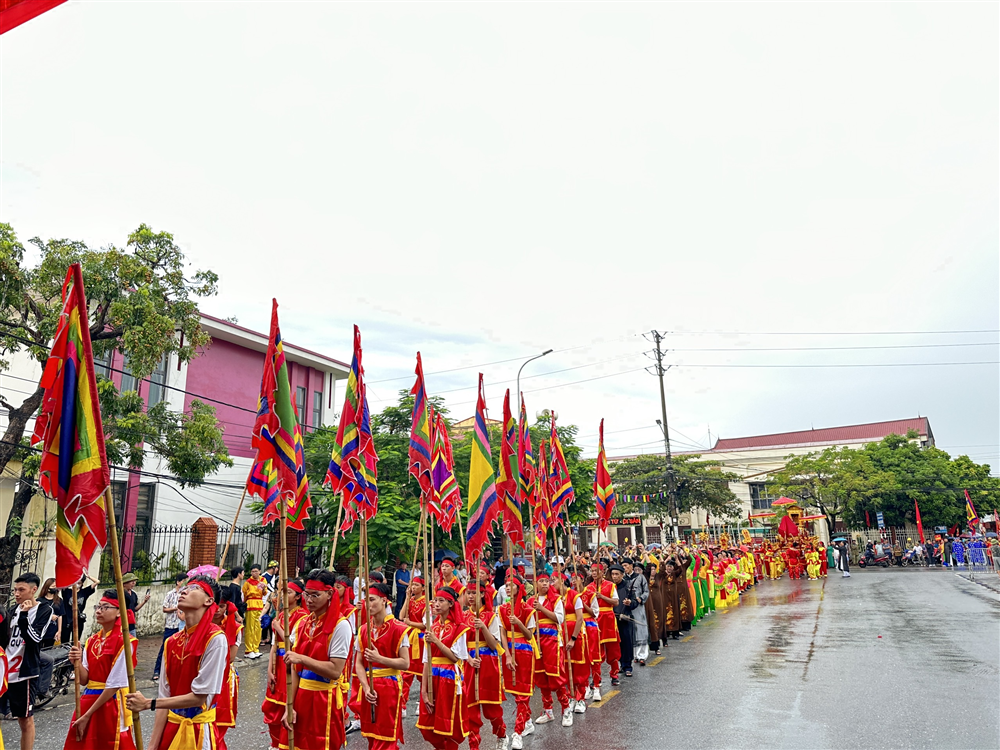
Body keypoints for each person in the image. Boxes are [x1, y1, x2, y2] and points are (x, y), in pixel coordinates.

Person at [126, 575, 228, 750]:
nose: (184, 591)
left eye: (194, 588)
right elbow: (165, 694)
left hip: (198, 733)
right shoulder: (171, 641)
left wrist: (148, 703)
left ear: (209, 600)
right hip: (171, 729)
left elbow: (199, 697)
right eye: (185, 587)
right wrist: (152, 745)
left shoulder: (215, 639)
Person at [284, 569, 352, 750]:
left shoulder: (341, 625)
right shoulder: (303, 623)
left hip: (325, 700)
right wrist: (289, 706)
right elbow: (295, 671)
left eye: (316, 595)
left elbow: (335, 671)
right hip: (301, 699)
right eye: (307, 594)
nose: (309, 600)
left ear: (330, 593)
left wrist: (302, 659)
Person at [63, 590, 138, 750]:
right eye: (98, 606)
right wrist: (76, 662)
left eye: (105, 607)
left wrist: (87, 715)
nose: (98, 611)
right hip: (89, 698)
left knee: (109, 742)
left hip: (111, 701)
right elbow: (84, 680)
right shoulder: (92, 640)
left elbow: (114, 684)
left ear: (119, 612)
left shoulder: (125, 642)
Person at [355, 582, 411, 749]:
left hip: (389, 686)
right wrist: (365, 687)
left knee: (385, 738)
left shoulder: (398, 629)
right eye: (366, 600)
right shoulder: (363, 629)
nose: (367, 604)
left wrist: (380, 658)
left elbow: (405, 663)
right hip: (369, 688)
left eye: (372, 599)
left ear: (384, 601)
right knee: (371, 736)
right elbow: (358, 663)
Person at [0, 572, 52, 750]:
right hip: (6, 670)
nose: (16, 593)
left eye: (21, 590)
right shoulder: (12, 609)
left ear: (34, 590)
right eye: (15, 590)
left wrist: (23, 616)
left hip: (24, 673)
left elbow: (35, 639)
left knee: (25, 719)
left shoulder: (44, 609)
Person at [417, 585, 470, 750]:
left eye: (441, 601)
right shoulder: (432, 628)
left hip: (449, 680)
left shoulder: (460, 628)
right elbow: (426, 660)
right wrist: (424, 691)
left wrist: (436, 641)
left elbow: (455, 657)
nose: (437, 604)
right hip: (432, 677)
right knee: (427, 727)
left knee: (448, 725)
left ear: (451, 603)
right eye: (435, 601)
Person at [466, 567, 508, 750]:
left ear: (483, 594)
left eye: (474, 593)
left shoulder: (491, 616)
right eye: (468, 593)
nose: (470, 596)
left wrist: (482, 626)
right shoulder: (462, 616)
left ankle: (501, 734)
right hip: (468, 664)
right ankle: (474, 745)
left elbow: (493, 644)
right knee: (470, 709)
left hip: (487, 664)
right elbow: (458, 646)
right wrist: (468, 659)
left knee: (491, 709)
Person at [262, 578, 307, 750]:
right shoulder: (280, 615)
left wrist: (279, 627)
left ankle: (285, 744)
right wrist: (268, 669)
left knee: (285, 705)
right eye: (282, 591)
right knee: (270, 706)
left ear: (297, 597)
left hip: (290, 664)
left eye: (288, 592)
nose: (283, 595)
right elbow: (274, 645)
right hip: (277, 663)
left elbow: (295, 644)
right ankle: (274, 743)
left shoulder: (302, 616)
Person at [498, 573, 535, 750]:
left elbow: (529, 635)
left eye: (511, 585)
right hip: (510, 651)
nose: (507, 587)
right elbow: (502, 633)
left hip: (525, 653)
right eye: (506, 584)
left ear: (519, 588)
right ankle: (527, 720)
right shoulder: (502, 608)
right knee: (513, 689)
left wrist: (519, 623)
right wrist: (507, 655)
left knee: (522, 693)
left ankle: (517, 732)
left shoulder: (528, 610)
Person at [531, 572, 571, 727]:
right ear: (536, 584)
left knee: (556, 676)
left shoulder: (556, 599)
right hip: (536, 642)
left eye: (547, 581)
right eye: (541, 581)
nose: (545, 584)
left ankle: (566, 708)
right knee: (541, 678)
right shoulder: (530, 601)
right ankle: (548, 710)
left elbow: (559, 619)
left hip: (552, 642)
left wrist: (541, 608)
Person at [582, 562, 618, 698]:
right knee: (596, 650)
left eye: (597, 571)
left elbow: (616, 602)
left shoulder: (610, 585)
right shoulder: (588, 588)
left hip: (608, 617)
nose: (594, 573)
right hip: (594, 620)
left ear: (603, 572)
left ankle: (614, 673)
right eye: (592, 571)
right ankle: (597, 678)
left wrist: (602, 597)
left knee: (612, 649)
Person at [213, 587, 243, 749]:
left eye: (222, 606)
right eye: (216, 605)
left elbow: (230, 658)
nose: (218, 609)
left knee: (218, 724)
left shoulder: (235, 628)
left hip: (223, 676)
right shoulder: (199, 623)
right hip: (198, 672)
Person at [400, 576, 427, 717]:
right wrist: (406, 597)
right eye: (413, 585)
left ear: (423, 587)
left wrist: (409, 623)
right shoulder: (410, 600)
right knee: (406, 673)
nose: (414, 587)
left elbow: (425, 624)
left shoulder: (427, 603)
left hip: (421, 640)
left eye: (417, 585)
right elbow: (401, 616)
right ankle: (403, 703)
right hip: (409, 638)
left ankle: (421, 703)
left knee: (422, 672)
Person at [153, 573, 188, 682]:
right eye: (183, 581)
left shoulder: (187, 595)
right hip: (171, 624)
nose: (184, 584)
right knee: (165, 647)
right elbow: (165, 609)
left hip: (182, 625)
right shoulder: (170, 594)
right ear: (178, 582)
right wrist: (175, 608)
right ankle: (157, 670)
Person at [622, 558, 650, 666]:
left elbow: (646, 591)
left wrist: (641, 598)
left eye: (626, 565)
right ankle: (633, 655)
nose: (625, 568)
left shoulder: (640, 577)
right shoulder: (623, 579)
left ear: (631, 566)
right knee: (630, 631)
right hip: (627, 607)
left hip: (638, 607)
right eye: (623, 566)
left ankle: (642, 655)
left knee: (641, 629)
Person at [59, 574, 98, 646]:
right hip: (67, 620)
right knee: (64, 642)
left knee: (76, 642)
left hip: (78, 620)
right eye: (76, 582)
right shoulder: (67, 592)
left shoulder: (84, 592)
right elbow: (63, 583)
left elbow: (97, 582)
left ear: (82, 583)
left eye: (79, 583)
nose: (77, 584)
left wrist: (88, 576)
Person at [610, 565, 631, 684]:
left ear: (622, 575)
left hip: (625, 617)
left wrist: (630, 603)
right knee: (615, 644)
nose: (615, 577)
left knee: (626, 642)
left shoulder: (628, 586)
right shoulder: (609, 586)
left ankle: (627, 666)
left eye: (617, 574)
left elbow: (634, 601)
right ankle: (618, 665)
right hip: (612, 618)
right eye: (613, 574)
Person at [242, 564, 267, 659]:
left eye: (256, 571)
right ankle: (249, 649)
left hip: (260, 604)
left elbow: (265, 592)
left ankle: (255, 648)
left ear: (260, 571)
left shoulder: (263, 580)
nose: (254, 573)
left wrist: (264, 587)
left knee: (257, 628)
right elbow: (244, 594)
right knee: (250, 628)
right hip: (251, 604)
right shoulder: (248, 582)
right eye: (252, 571)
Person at [39, 578, 63, 649]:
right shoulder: (40, 601)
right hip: (41, 630)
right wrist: (49, 616)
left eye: (56, 586)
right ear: (47, 588)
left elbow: (60, 615)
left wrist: (59, 631)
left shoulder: (59, 601)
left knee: (48, 649)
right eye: (53, 586)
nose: (55, 588)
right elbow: (37, 614)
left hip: (52, 630)